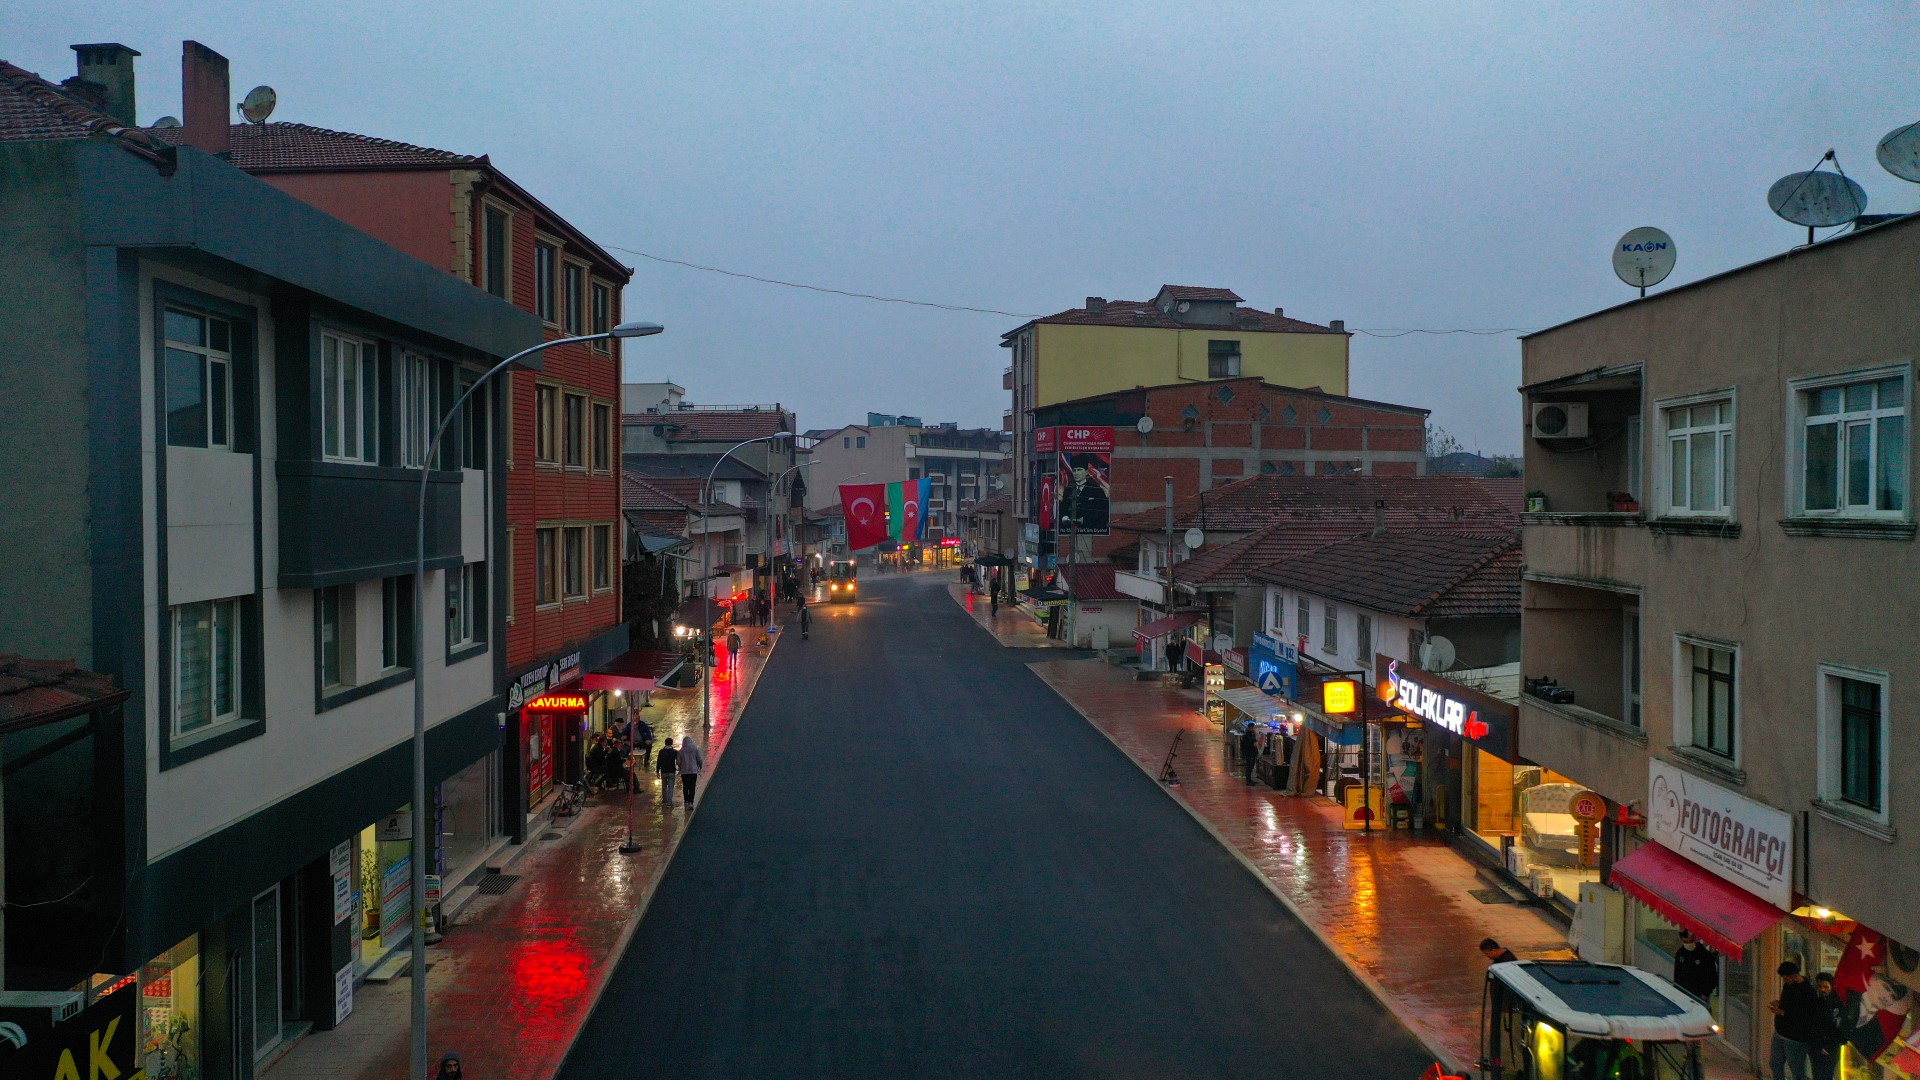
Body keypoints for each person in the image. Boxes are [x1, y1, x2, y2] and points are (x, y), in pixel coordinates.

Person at [1769, 960, 1818, 1080]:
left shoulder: (1807, 991)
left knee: (1797, 1070)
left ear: (1794, 976)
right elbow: (1787, 1003)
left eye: (1786, 978)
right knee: (1775, 1063)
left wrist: (1783, 1012)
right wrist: (1779, 1004)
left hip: (1795, 1036)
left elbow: (1805, 1015)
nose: (1785, 981)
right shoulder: (1788, 986)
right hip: (1780, 1031)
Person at [1810, 972, 1845, 1080]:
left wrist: (1829, 1047)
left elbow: (1839, 1028)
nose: (1822, 989)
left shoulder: (1838, 1004)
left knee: (1826, 1075)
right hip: (1816, 1046)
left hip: (1830, 1047)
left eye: (1825, 987)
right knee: (1817, 1074)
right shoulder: (1818, 1002)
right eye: (1820, 986)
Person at [1672, 929, 1720, 1004]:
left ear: (1695, 939)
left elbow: (1712, 976)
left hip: (1699, 996)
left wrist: (1706, 993)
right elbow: (1677, 974)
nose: (1688, 944)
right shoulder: (1680, 953)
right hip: (1682, 993)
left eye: (1691, 941)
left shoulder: (1704, 954)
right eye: (1685, 941)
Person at [677, 733, 706, 807]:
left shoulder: (681, 751)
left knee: (685, 786)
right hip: (693, 771)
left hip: (684, 772)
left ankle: (686, 801)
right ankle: (691, 802)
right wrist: (700, 767)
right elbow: (699, 760)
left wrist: (681, 767)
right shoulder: (695, 749)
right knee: (692, 787)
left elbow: (678, 762)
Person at [655, 737, 679, 807]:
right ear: (672, 743)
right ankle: (669, 802)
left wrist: (657, 771)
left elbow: (658, 762)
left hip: (663, 771)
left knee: (664, 786)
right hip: (671, 771)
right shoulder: (675, 752)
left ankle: (664, 799)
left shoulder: (661, 752)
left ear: (665, 743)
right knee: (671, 787)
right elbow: (678, 761)